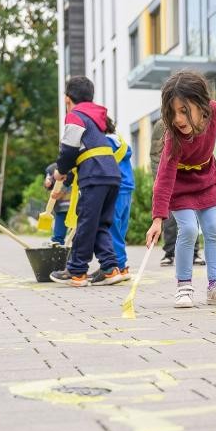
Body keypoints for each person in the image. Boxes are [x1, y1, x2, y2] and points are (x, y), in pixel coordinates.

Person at [145, 70, 216, 308]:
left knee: (212, 229)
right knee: (189, 229)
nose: (178, 119)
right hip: (181, 186)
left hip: (206, 180)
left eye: (184, 111)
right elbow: (164, 178)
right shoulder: (173, 138)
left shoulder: (214, 111)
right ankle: (184, 286)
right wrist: (158, 219)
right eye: (172, 113)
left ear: (201, 105)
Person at [49, 76, 122, 286]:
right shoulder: (95, 117)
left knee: (86, 223)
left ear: (67, 98)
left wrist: (60, 170)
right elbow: (86, 150)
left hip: (94, 175)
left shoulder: (75, 115)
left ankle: (76, 271)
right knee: (100, 224)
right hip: (111, 174)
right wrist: (69, 172)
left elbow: (69, 150)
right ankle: (110, 268)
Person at [149, 116, 203, 268]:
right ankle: (169, 253)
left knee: (192, 215)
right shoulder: (161, 125)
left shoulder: (190, 121)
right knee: (170, 218)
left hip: (187, 177)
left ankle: (194, 253)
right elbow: (155, 154)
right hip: (168, 178)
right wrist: (159, 178)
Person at [106, 127, 134, 282]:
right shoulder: (121, 142)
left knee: (113, 228)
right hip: (127, 187)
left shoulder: (106, 143)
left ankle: (120, 266)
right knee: (121, 228)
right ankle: (121, 265)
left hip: (116, 186)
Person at [42, 162, 70, 246]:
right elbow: (48, 181)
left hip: (76, 206)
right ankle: (57, 246)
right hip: (61, 206)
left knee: (77, 232)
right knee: (59, 234)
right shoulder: (53, 168)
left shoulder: (78, 165)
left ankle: (78, 250)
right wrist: (48, 182)